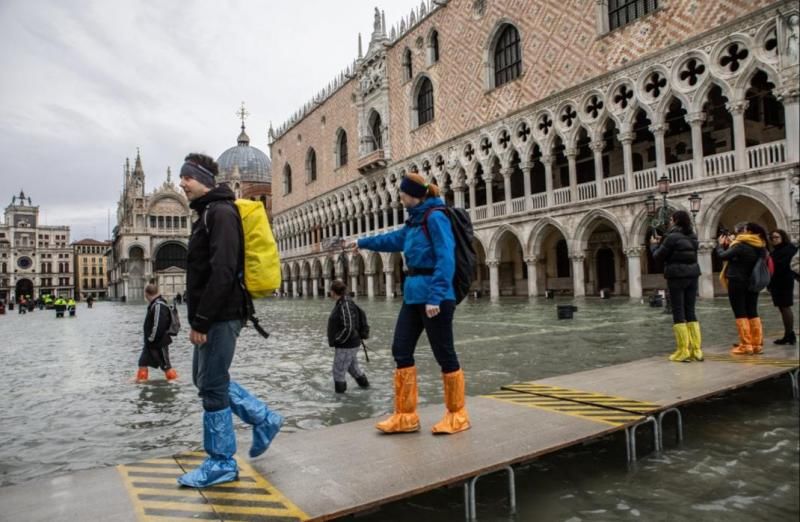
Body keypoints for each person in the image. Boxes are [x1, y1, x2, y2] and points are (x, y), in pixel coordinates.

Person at [177, 152, 283, 488]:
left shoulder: (220, 213)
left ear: (204, 180)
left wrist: (202, 320)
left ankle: (221, 462)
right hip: (215, 313)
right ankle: (263, 418)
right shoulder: (208, 212)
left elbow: (222, 271)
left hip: (221, 314)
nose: (182, 184)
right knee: (204, 377)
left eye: (187, 178)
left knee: (211, 384)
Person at [352, 172, 470, 435]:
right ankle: (406, 416)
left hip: (435, 297)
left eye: (403, 194)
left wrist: (436, 296)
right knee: (401, 349)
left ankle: (457, 414)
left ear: (413, 195)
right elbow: (390, 240)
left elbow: (445, 257)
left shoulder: (436, 217)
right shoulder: (414, 223)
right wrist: (361, 243)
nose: (400, 198)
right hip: (414, 294)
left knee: (444, 353)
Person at [650, 210, 702, 362]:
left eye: (671, 219)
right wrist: (663, 242)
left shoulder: (671, 237)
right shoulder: (692, 236)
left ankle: (683, 351)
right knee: (690, 312)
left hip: (677, 277)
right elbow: (682, 250)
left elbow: (658, 256)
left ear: (676, 221)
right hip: (693, 276)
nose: (670, 222)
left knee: (678, 312)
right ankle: (696, 350)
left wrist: (654, 246)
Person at [718, 222, 768, 355]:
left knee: (740, 312)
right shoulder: (761, 245)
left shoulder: (741, 245)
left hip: (737, 282)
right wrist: (730, 245)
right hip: (753, 282)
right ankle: (756, 344)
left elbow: (722, 256)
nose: (741, 232)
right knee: (752, 311)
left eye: (744, 230)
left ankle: (746, 345)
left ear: (750, 232)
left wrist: (719, 246)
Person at [327, 279, 370, 393]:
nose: (329, 292)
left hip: (347, 345)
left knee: (338, 372)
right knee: (354, 369)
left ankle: (340, 401)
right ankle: (367, 389)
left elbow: (349, 326)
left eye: (330, 290)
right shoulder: (343, 302)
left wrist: (338, 340)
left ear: (333, 291)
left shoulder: (345, 304)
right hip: (350, 343)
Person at [136, 283, 178, 382]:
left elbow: (159, 325)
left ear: (146, 294)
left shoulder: (159, 305)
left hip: (159, 343)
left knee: (166, 366)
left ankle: (175, 383)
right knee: (142, 363)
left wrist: (151, 338)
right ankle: (141, 384)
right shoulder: (155, 304)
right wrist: (149, 341)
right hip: (150, 343)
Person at [768, 229, 798, 345]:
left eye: (777, 237)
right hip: (776, 282)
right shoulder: (776, 250)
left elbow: (785, 266)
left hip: (784, 282)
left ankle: (789, 335)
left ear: (783, 237)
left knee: (785, 306)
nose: (774, 240)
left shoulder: (789, 249)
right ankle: (789, 334)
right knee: (782, 307)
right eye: (772, 238)